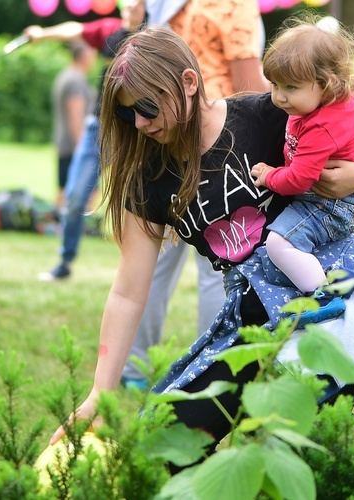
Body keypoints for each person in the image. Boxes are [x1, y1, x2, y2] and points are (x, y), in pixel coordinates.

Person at [49, 27, 354, 471]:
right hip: (250, 322)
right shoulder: (150, 179)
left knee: (276, 447)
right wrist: (99, 393)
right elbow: (127, 292)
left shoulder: (263, 117)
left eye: (146, 106)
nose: (140, 123)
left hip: (327, 302)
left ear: (188, 81)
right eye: (127, 116)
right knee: (161, 447)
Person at [120, 0, 272, 390]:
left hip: (166, 144)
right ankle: (216, 371)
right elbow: (249, 84)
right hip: (217, 137)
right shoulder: (234, 7)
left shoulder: (172, 5)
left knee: (149, 270)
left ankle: (135, 368)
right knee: (216, 273)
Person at [251, 18, 354, 326]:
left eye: (290, 88)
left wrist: (269, 175)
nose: (279, 97)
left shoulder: (322, 126)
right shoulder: (321, 104)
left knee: (279, 244)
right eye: (275, 85)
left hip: (336, 201)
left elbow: (298, 180)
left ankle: (323, 296)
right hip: (340, 194)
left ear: (325, 83)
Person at [25, 0, 147, 281]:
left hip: (141, 133)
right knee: (75, 197)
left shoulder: (155, 36)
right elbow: (74, 29)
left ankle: (138, 277)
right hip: (100, 129)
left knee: (140, 206)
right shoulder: (111, 31)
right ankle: (65, 262)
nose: (130, 5)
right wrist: (43, 34)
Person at [51, 41, 97, 210]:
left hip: (67, 145)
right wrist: (83, 151)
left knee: (66, 190)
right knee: (71, 193)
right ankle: (59, 224)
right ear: (84, 56)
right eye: (93, 53)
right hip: (74, 146)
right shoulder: (74, 80)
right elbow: (76, 117)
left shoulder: (68, 76)